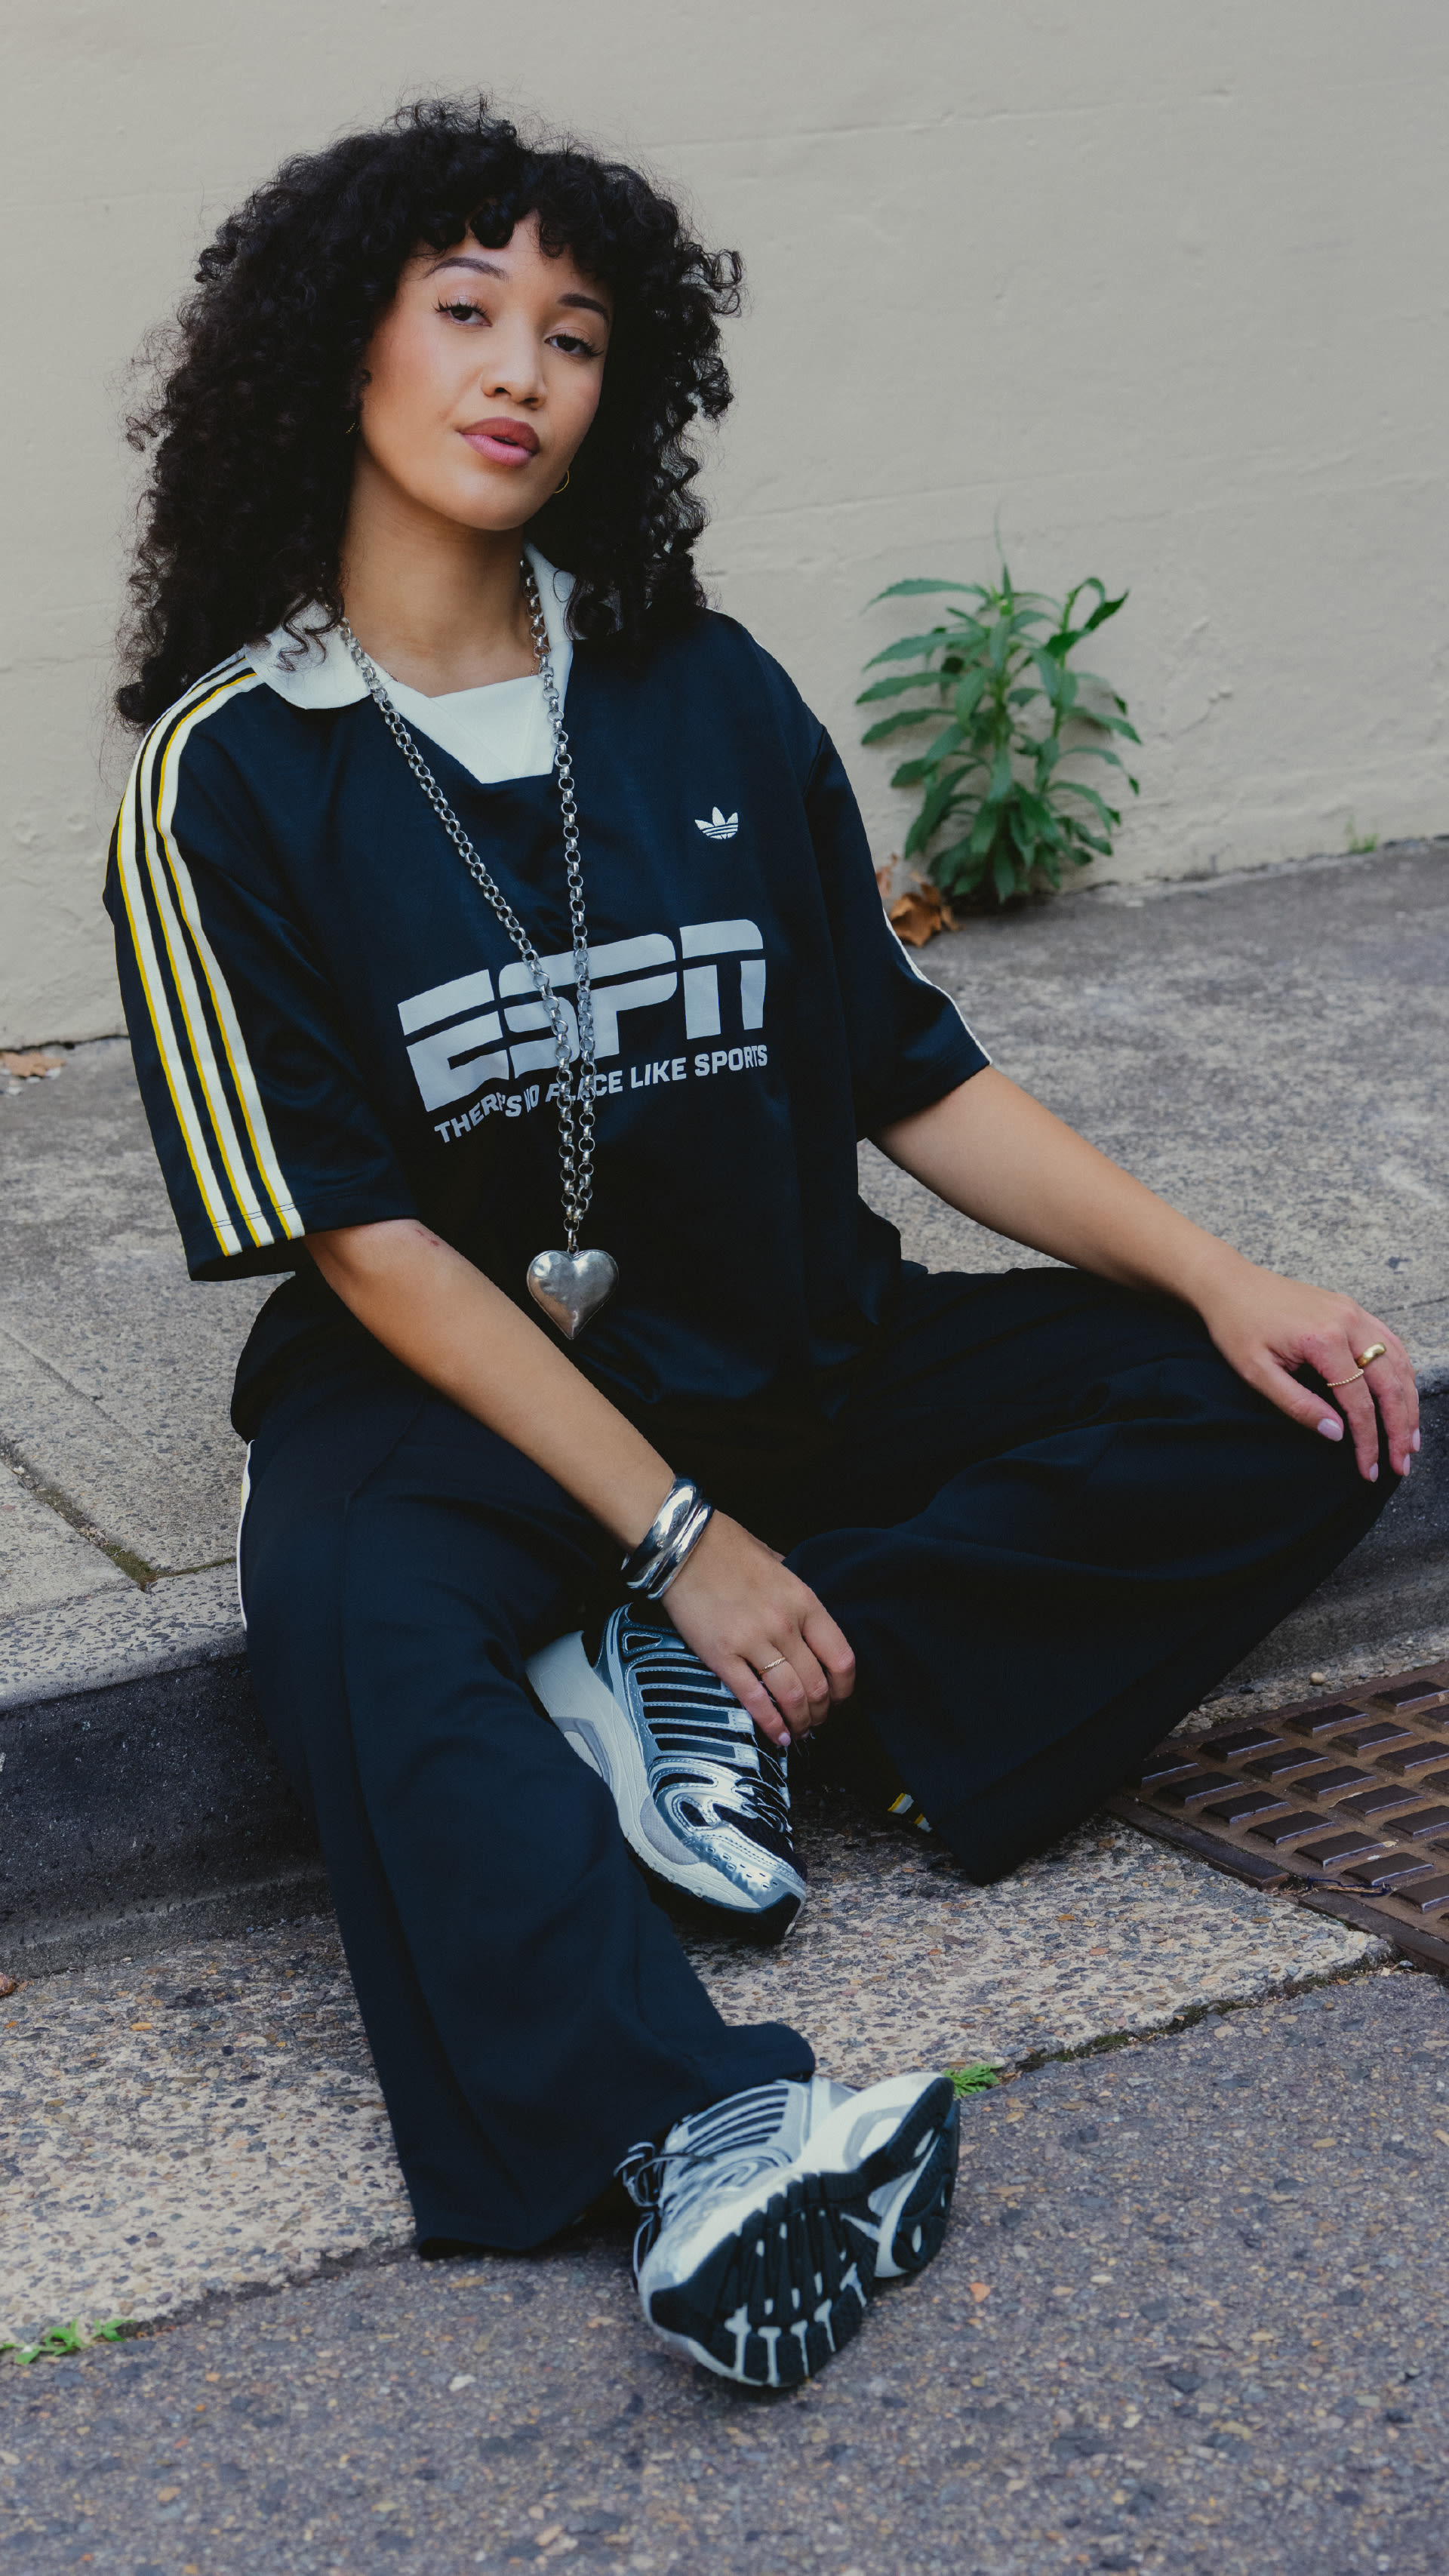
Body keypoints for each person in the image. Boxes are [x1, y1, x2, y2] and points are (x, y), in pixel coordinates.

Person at [106, 100, 1417, 2390]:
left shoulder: (696, 691)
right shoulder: (232, 775)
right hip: (460, 1411)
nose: (524, 370)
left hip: (796, 1344)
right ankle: (702, 2130)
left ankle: (774, 1686)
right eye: (466, 311)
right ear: (340, 356)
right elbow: (365, 1250)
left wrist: (1226, 1276)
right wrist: (679, 1529)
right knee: (346, 1619)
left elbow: (912, 1074)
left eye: (578, 334)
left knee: (1306, 1407)